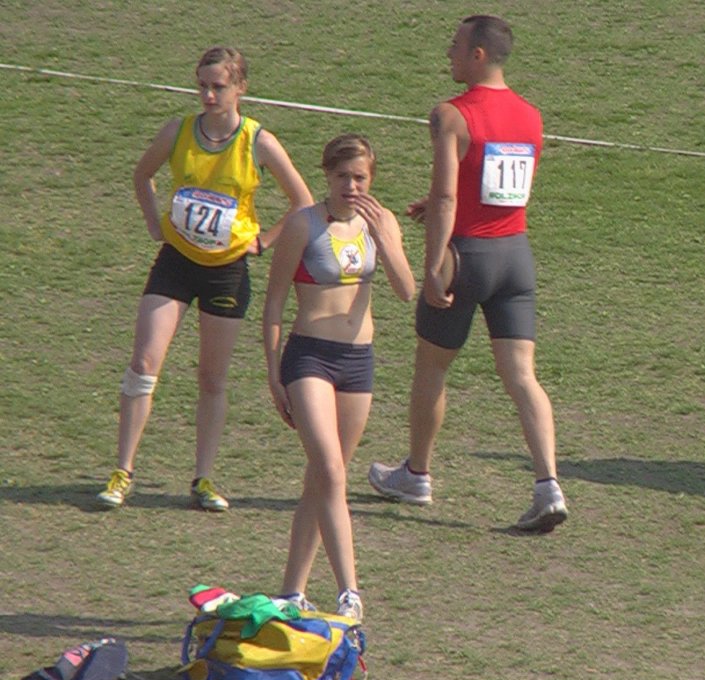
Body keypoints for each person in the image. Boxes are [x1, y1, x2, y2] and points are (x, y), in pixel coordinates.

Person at [367, 15, 569, 532]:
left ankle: (416, 474)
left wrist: (434, 265)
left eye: (455, 45)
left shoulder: (450, 114)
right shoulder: (531, 116)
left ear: (478, 55)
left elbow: (447, 196)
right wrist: (441, 205)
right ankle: (548, 484)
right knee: (522, 376)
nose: (449, 53)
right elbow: (499, 186)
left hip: (468, 255)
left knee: (431, 366)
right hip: (515, 255)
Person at [96, 47, 313, 511]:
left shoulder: (258, 142)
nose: (209, 95)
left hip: (227, 273)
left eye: (218, 86)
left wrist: (263, 242)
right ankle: (122, 472)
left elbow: (303, 202)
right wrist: (155, 225)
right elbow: (142, 175)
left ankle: (203, 478)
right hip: (176, 263)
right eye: (202, 86)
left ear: (240, 88)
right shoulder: (177, 131)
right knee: (144, 362)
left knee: (212, 377)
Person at [263, 134, 415, 619]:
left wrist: (385, 240)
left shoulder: (381, 222)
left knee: (323, 479)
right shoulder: (303, 225)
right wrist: (273, 373)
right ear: (327, 175)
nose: (351, 186)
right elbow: (273, 304)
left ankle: (291, 590)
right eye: (343, 176)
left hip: (358, 360)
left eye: (360, 178)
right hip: (309, 357)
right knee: (330, 471)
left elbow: (406, 291)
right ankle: (350, 590)